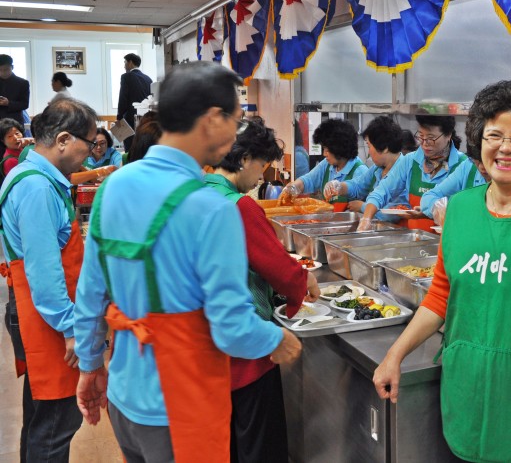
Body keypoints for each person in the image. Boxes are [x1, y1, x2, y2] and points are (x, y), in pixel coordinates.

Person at [73, 61, 302, 463]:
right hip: (182, 406)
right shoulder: (211, 209)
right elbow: (231, 328)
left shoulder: (114, 186)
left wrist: (90, 366)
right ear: (213, 119)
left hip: (125, 395)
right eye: (235, 117)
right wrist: (276, 340)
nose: (236, 130)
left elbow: (91, 293)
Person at [373, 80, 511, 462]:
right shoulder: (460, 209)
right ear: (479, 142)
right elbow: (441, 296)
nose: (506, 148)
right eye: (494, 135)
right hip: (467, 387)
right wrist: (395, 355)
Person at [205, 121, 320, 463]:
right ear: (244, 159)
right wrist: (303, 282)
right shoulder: (239, 206)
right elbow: (277, 267)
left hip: (207, 343)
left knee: (226, 445)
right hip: (246, 349)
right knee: (258, 443)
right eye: (261, 166)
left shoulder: (198, 192)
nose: (260, 177)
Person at [0, 98, 99, 462]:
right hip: (49, 320)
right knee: (56, 424)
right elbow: (44, 270)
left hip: (43, 314)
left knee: (43, 422)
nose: (89, 155)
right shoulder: (37, 188)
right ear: (61, 139)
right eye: (88, 144)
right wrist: (71, 330)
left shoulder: (35, 176)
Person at [359, 115, 467, 232]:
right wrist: (366, 219)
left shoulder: (463, 166)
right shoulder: (410, 161)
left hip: (446, 241)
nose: (425, 143)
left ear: (448, 135)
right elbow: (382, 191)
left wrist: (428, 213)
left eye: (431, 138)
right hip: (416, 239)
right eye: (421, 136)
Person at [322, 116, 408, 216]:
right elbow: (359, 185)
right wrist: (340, 187)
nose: (369, 151)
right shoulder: (377, 168)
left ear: (384, 148)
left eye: (369, 146)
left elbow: (394, 213)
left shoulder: (404, 170)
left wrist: (363, 207)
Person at [278, 118, 368, 211]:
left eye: (327, 150)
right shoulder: (327, 165)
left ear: (339, 149)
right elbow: (309, 180)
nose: (324, 154)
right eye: (323, 149)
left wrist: (339, 187)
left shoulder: (360, 170)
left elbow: (357, 189)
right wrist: (294, 187)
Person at [418, 139, 489, 226]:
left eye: (487, 159)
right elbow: (430, 195)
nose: (481, 167)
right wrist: (440, 209)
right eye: (477, 160)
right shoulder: (468, 167)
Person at [116, 53, 152, 151]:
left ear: (130, 62)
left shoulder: (126, 77)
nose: (124, 66)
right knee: (143, 147)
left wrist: (119, 117)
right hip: (145, 119)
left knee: (130, 148)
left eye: (125, 62)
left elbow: (123, 97)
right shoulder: (148, 79)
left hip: (130, 120)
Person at [0, 54, 30, 126]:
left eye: (6, 69)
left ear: (12, 67)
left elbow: (25, 104)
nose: (3, 72)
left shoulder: (23, 83)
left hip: (15, 123)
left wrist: (8, 103)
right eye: (0, 70)